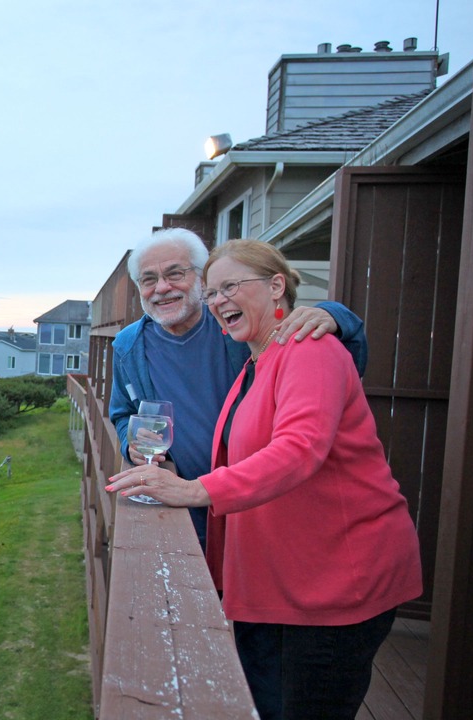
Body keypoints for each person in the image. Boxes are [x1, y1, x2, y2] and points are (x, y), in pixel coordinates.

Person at [106, 239, 423, 720]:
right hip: (267, 569)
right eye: (215, 292)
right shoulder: (250, 361)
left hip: (334, 577)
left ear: (276, 286)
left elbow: (300, 446)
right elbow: (125, 414)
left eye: (227, 286)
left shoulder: (308, 348)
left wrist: (195, 490)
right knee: (262, 700)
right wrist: (139, 441)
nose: (218, 301)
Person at [107, 228, 366, 546]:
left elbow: (330, 362)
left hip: (269, 505)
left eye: (175, 273)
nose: (162, 288)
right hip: (197, 513)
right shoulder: (128, 347)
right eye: (149, 279)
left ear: (202, 279)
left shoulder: (237, 327)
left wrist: (335, 316)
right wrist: (130, 444)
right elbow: (122, 414)